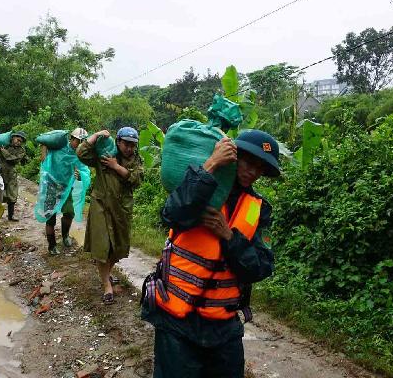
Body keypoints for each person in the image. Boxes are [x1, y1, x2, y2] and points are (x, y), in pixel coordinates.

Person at [140, 130, 279, 378]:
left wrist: (228, 236)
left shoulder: (258, 210)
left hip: (224, 328)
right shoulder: (202, 187)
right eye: (248, 162)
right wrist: (212, 163)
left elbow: (261, 267)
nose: (253, 172)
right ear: (234, 157)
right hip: (177, 324)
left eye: (261, 168)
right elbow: (171, 214)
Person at [77, 127, 144, 304]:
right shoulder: (104, 153)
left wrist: (116, 166)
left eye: (133, 145)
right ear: (118, 142)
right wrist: (96, 135)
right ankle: (106, 284)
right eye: (126, 144)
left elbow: (136, 180)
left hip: (122, 209)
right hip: (101, 206)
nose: (129, 148)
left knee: (118, 248)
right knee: (102, 247)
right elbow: (82, 153)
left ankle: (107, 272)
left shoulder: (135, 159)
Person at [40, 128, 89, 254]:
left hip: (67, 189)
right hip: (51, 186)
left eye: (82, 142)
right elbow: (44, 145)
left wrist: (80, 175)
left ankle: (65, 235)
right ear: (71, 139)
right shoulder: (59, 146)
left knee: (69, 213)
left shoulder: (80, 155)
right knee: (50, 218)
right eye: (78, 141)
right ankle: (52, 245)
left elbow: (85, 171)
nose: (79, 144)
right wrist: (44, 154)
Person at [0, 131, 28, 222]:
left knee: (12, 194)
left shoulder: (21, 150)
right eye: (17, 140)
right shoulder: (3, 143)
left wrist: (3, 151)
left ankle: (10, 216)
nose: (18, 142)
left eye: (20, 141)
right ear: (13, 138)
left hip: (11, 173)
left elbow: (13, 159)